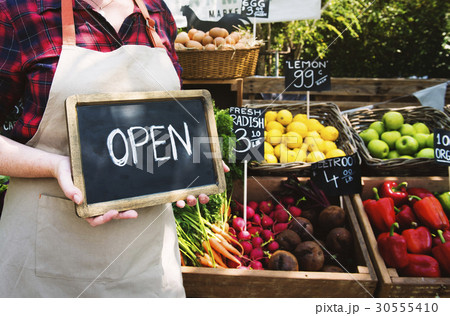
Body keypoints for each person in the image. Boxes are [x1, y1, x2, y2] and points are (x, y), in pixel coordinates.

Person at [0, 0, 226, 297]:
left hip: (150, 264)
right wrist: (56, 166)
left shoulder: (156, 12)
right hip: (47, 257)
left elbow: (165, 120)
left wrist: (191, 161)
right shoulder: (19, 12)